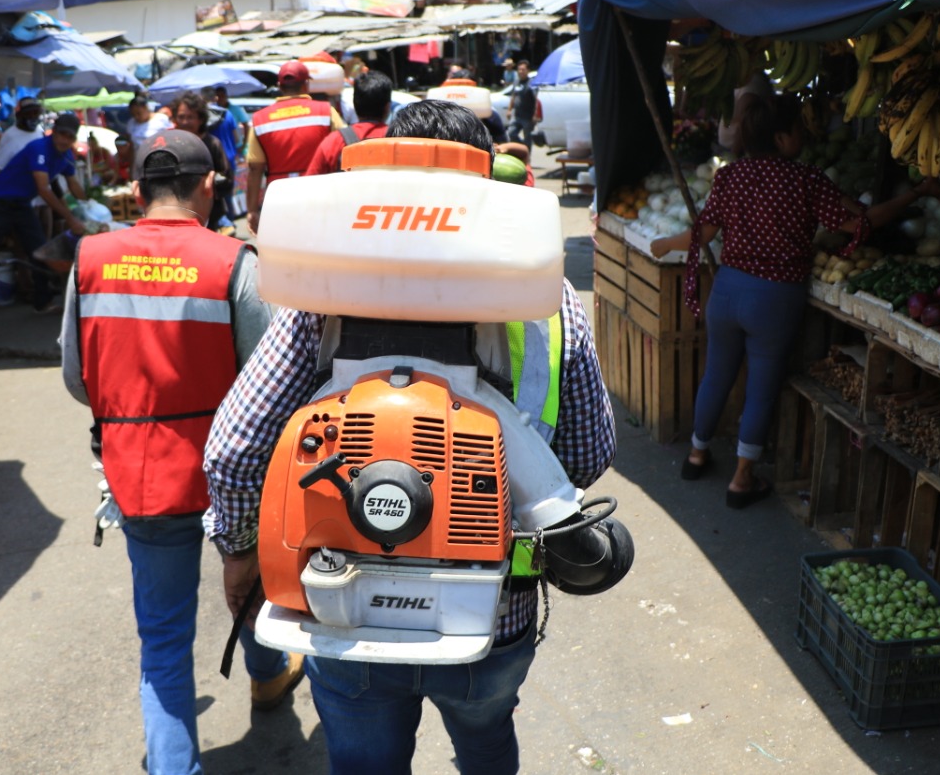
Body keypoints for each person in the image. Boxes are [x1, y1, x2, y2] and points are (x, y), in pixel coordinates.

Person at [204, 99, 616, 775]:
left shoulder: (321, 291)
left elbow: (237, 444)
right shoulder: (548, 297)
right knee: (486, 745)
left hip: (344, 601)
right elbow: (586, 457)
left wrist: (240, 550)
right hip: (493, 613)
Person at [59, 131, 302, 775]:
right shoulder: (233, 262)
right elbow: (268, 382)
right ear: (210, 186)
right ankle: (268, 671)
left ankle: (178, 762)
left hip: (138, 477)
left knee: (163, 640)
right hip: (233, 475)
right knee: (250, 582)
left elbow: (76, 377)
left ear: (136, 190)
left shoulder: (89, 257)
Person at [649, 94, 940, 507]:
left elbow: (702, 234)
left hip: (727, 290)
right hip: (774, 298)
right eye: (798, 130)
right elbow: (857, 224)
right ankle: (741, 480)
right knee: (760, 387)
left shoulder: (730, 177)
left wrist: (665, 243)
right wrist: (914, 194)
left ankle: (697, 454)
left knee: (716, 374)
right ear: (780, 137)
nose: (804, 136)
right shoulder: (806, 179)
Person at [0, 112, 88, 313]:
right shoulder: (39, 148)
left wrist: (90, 204)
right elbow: (44, 189)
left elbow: (73, 185)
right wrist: (70, 218)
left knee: (41, 251)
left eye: (69, 137)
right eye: (61, 134)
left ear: (74, 138)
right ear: (53, 133)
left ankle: (42, 302)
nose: (64, 140)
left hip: (21, 204)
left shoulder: (67, 155)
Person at [245, 60, 344, 234]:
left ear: (279, 87)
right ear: (306, 85)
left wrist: (252, 210)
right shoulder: (325, 111)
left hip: (279, 198)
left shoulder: (260, 120)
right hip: (319, 193)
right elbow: (343, 148)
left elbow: (255, 168)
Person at [304, 70, 392, 176]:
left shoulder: (334, 142)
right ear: (387, 107)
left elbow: (310, 182)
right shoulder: (401, 138)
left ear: (354, 104)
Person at [172, 92, 235, 234]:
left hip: (208, 214)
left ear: (200, 119)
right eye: (181, 117)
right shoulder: (171, 144)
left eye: (190, 117)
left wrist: (203, 184)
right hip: (178, 213)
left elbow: (227, 179)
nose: (185, 122)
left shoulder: (212, 144)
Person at [0, 96, 44, 173]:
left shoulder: (39, 131)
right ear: (19, 116)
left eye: (36, 113)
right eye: (28, 114)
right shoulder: (10, 136)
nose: (33, 117)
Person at [126, 95, 173, 173]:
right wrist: (132, 167)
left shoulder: (161, 119)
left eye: (139, 113)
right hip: (140, 162)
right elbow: (131, 147)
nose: (136, 117)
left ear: (146, 108)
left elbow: (171, 136)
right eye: (133, 114)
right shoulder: (131, 123)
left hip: (159, 160)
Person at [505, 60, 540, 151]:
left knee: (528, 137)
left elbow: (536, 99)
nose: (521, 71)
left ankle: (527, 160)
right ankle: (522, 147)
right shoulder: (516, 82)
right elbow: (513, 96)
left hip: (527, 117)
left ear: (528, 70)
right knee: (511, 134)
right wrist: (509, 110)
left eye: (523, 69)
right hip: (516, 115)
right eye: (519, 69)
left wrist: (535, 114)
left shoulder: (531, 83)